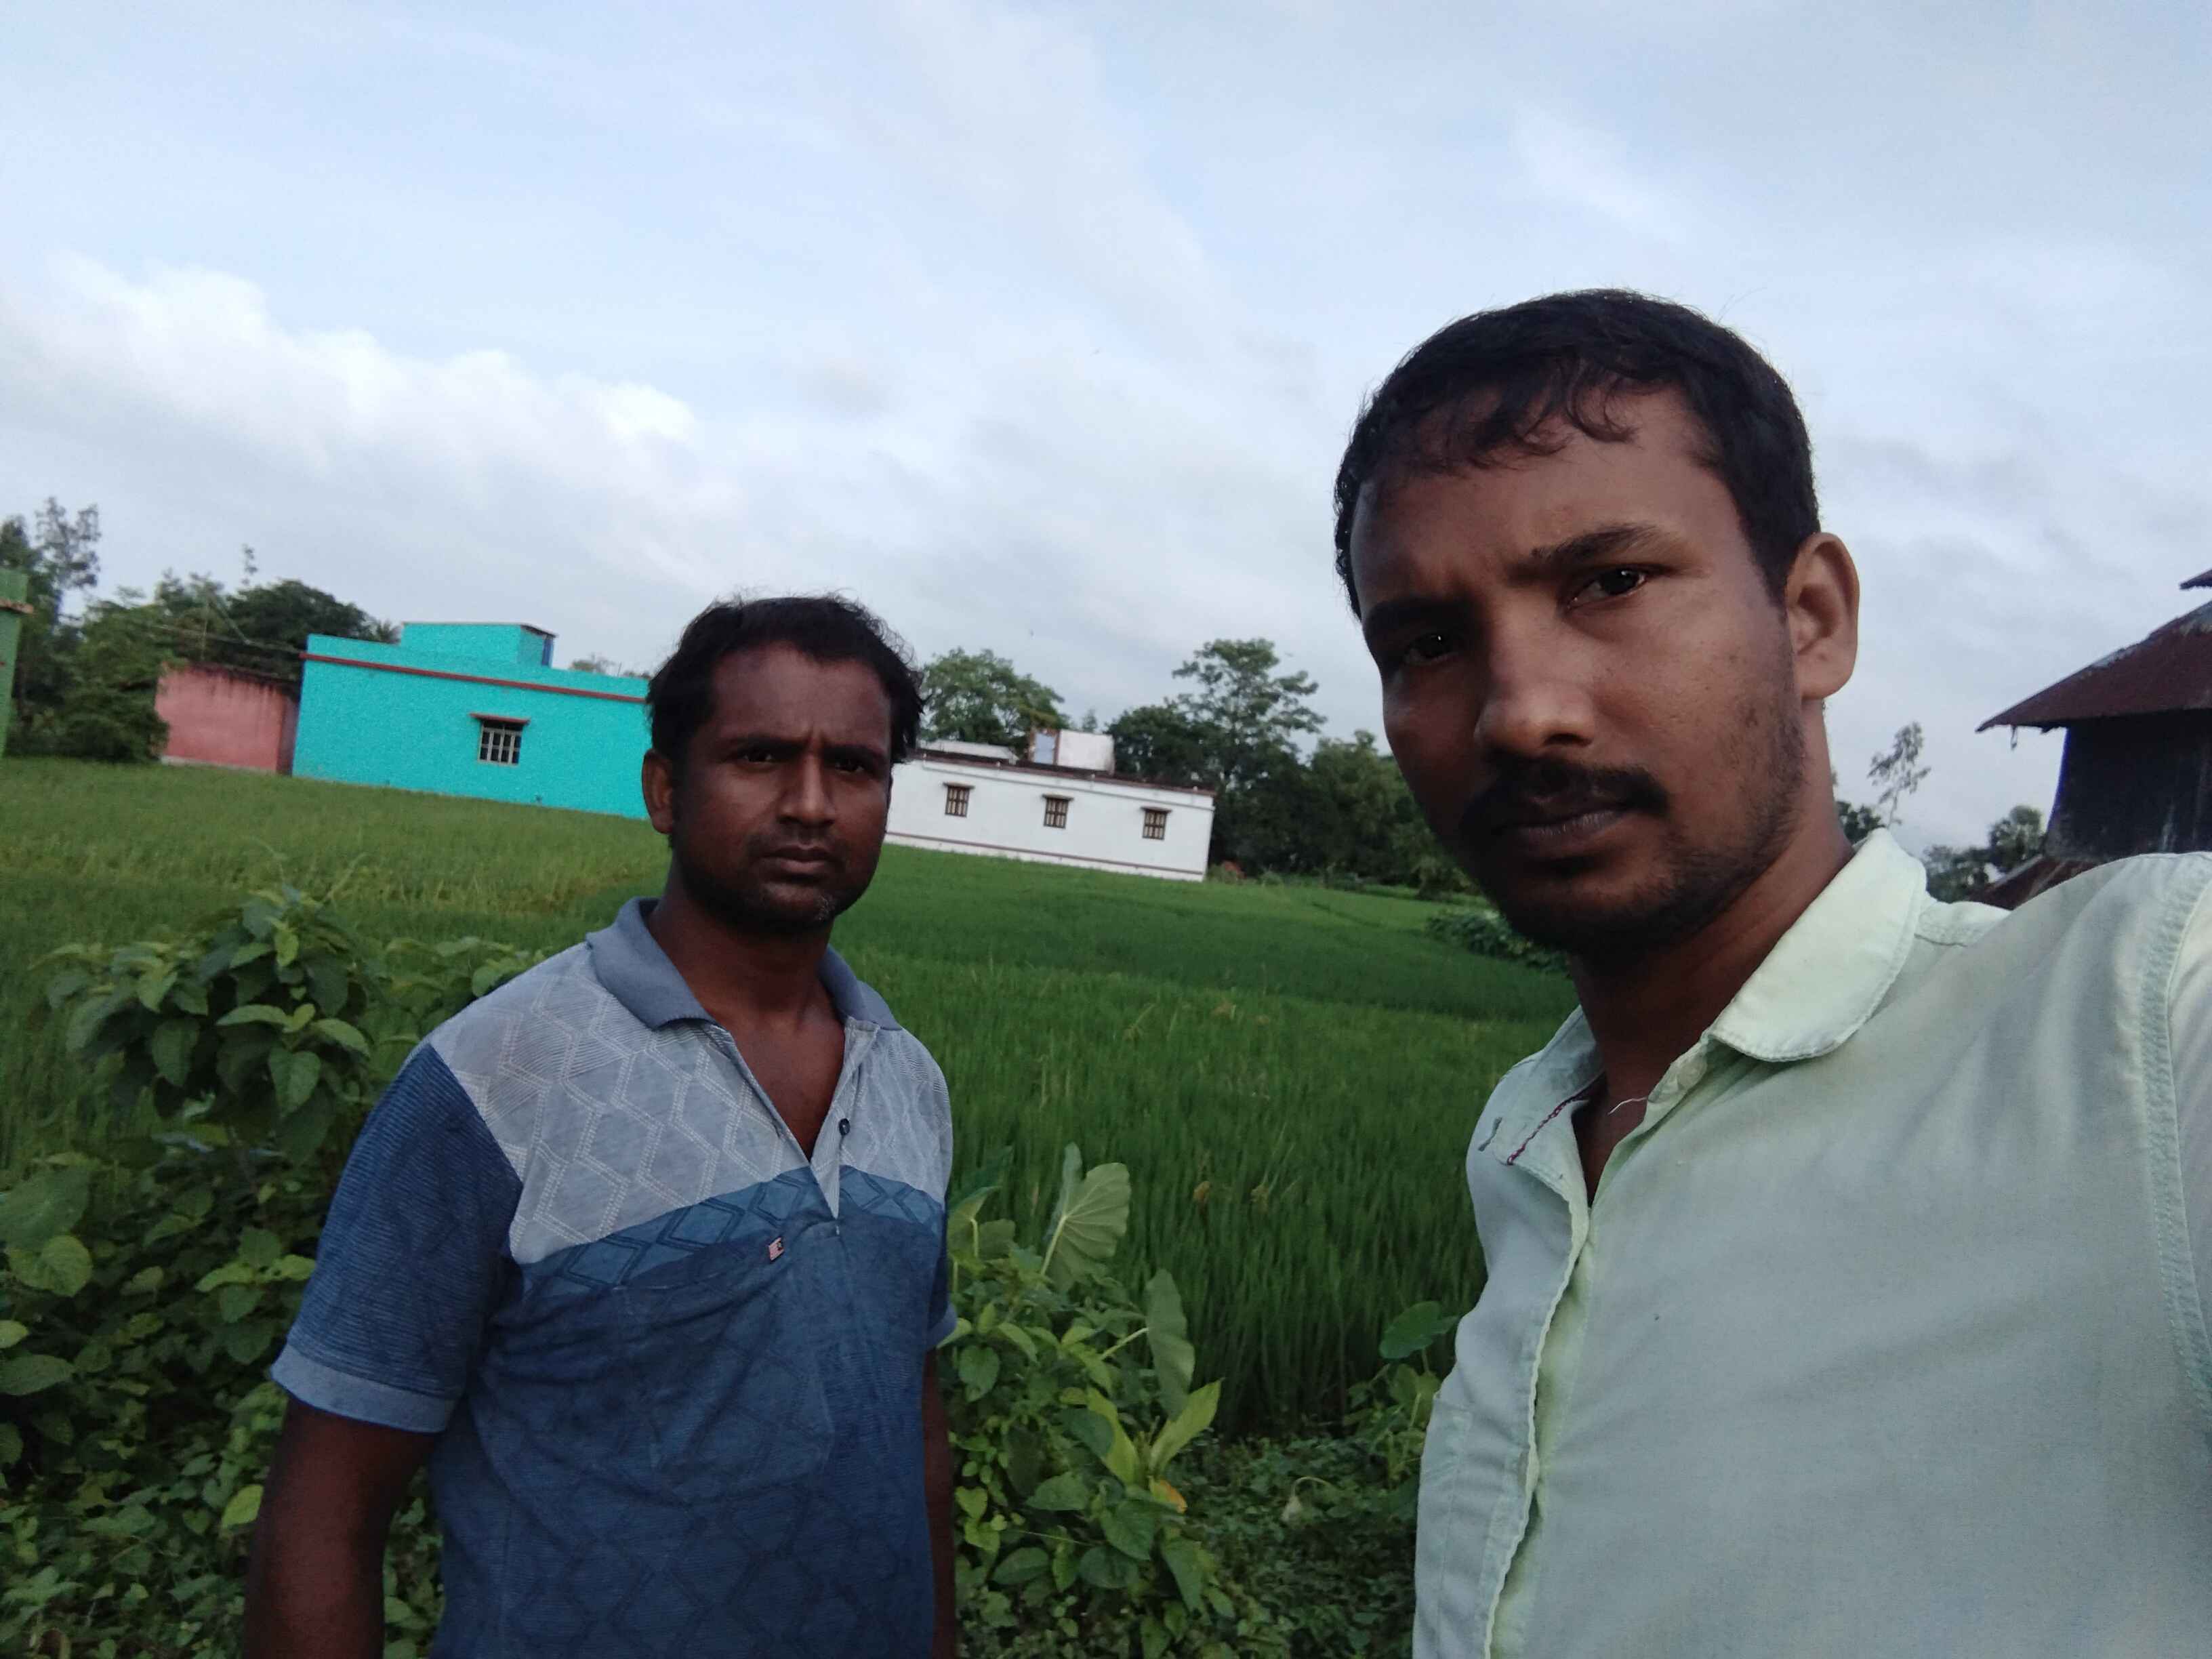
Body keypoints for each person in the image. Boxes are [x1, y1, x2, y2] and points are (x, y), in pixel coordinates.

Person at [1334, 290, 2211, 1657]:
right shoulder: (1527, 1138)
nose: (1521, 711)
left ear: (1811, 618)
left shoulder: (2138, 1018)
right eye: (1427, 645)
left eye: (1611, 583)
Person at [245, 596, 960, 1659]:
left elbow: (914, 1425)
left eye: (853, 767)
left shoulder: (908, 1082)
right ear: (665, 790)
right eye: (761, 756)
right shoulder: (496, 1078)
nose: (812, 804)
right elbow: (327, 1507)